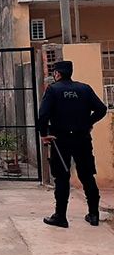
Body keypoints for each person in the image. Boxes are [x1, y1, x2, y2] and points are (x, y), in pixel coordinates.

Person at [38, 60, 108, 228]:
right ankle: (93, 215)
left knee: (62, 177)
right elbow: (102, 109)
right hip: (82, 138)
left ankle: (60, 216)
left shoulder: (53, 90)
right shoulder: (84, 89)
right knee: (87, 175)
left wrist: (44, 134)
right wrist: (87, 123)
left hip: (60, 139)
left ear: (57, 74)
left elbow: (43, 115)